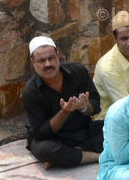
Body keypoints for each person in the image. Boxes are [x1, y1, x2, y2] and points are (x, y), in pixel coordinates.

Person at [22, 37, 103, 170]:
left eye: (51, 58)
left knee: (116, 128)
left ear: (58, 55)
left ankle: (72, 154)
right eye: (41, 61)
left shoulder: (78, 71)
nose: (48, 64)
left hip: (82, 131)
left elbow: (96, 106)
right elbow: (42, 133)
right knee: (45, 150)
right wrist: (64, 112)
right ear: (33, 62)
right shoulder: (30, 92)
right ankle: (99, 157)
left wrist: (84, 108)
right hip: (53, 139)